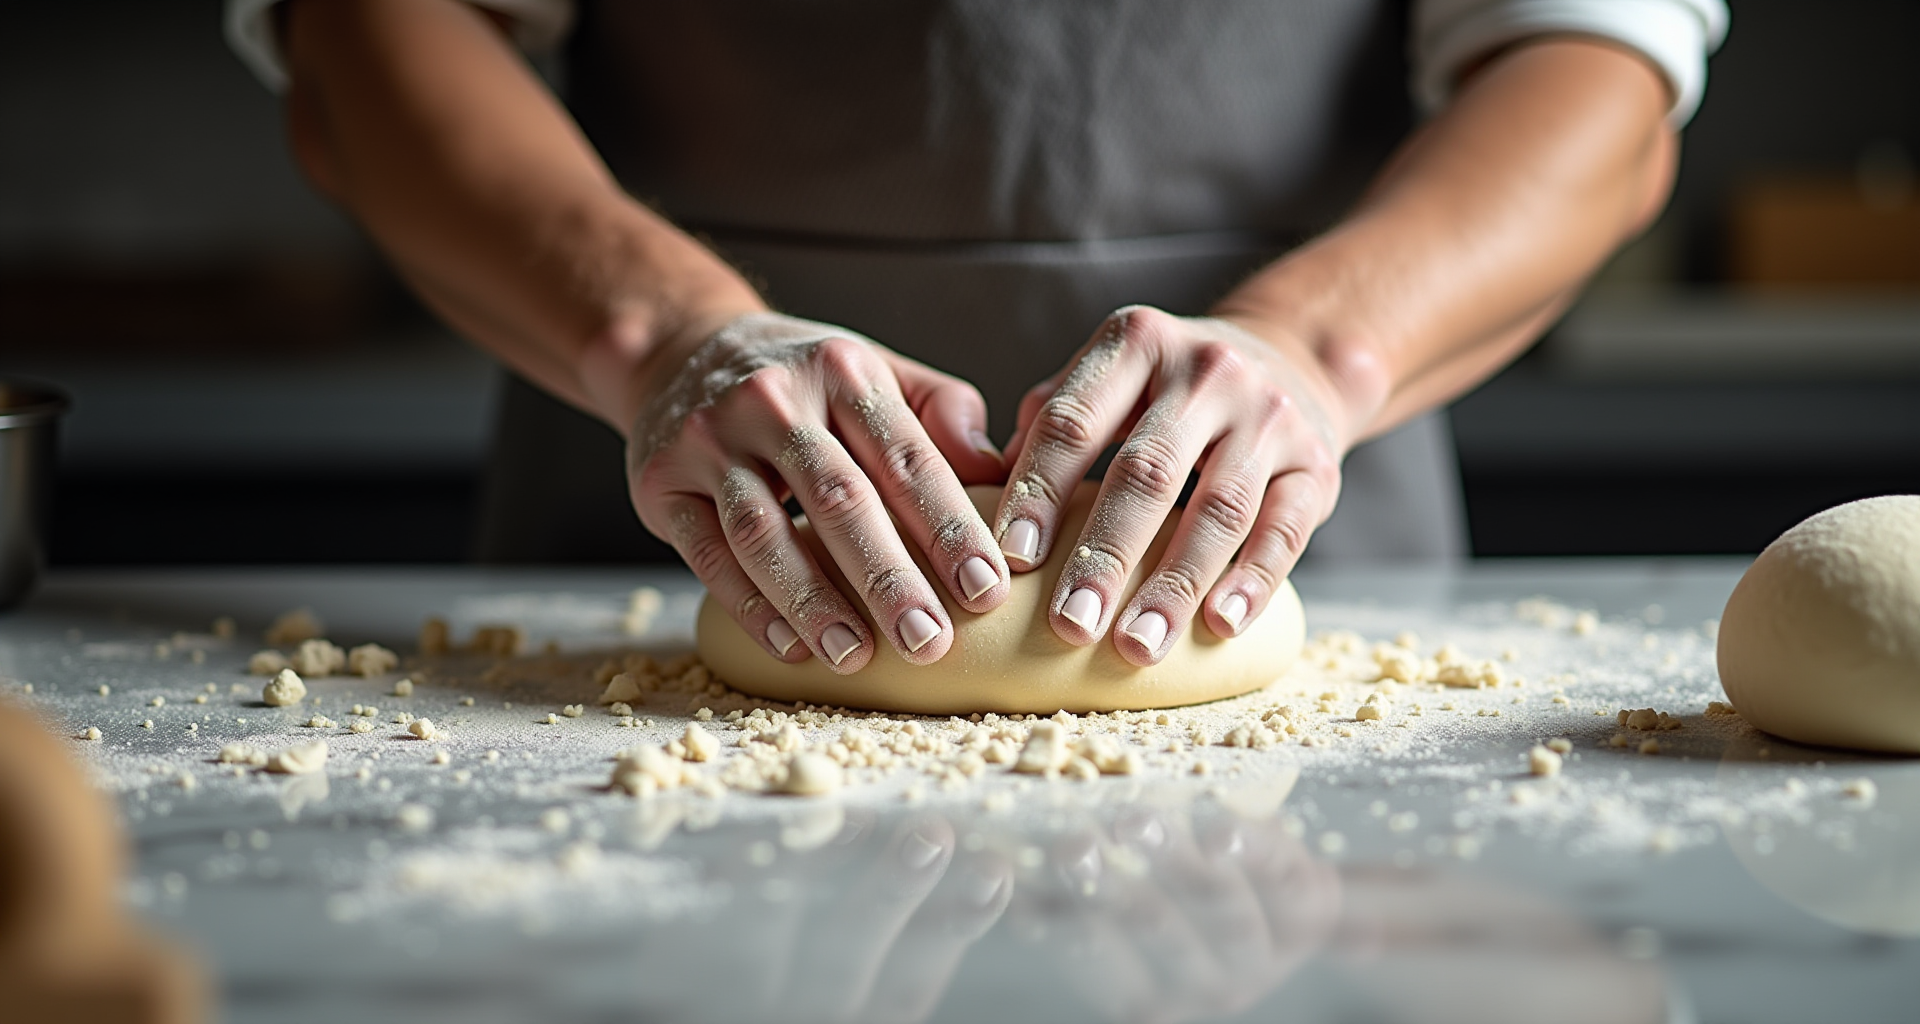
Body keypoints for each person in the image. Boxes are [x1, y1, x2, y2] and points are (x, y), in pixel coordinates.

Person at [228, 0, 1725, 676]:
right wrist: (665, 334)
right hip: (657, 563)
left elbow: (1599, 65)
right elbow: (368, 38)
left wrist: (1315, 350)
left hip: (1289, 534)